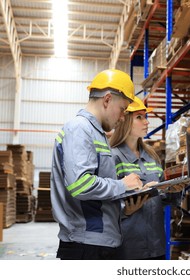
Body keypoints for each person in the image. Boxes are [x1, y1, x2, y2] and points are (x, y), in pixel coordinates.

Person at [50, 69, 145, 260]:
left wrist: (127, 205)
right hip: (86, 246)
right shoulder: (79, 129)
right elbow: (81, 185)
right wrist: (122, 184)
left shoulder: (96, 133)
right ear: (107, 99)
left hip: (98, 242)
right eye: (123, 109)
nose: (122, 117)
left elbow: (97, 197)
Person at [110, 96, 183, 260]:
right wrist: (124, 210)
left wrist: (172, 190)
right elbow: (104, 200)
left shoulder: (151, 156)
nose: (146, 122)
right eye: (139, 117)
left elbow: (160, 199)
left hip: (156, 244)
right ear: (124, 120)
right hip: (127, 247)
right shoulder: (113, 157)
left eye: (145, 117)